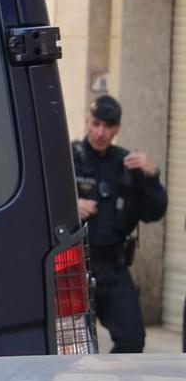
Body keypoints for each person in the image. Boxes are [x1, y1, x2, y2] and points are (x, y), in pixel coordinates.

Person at [72, 94, 167, 353]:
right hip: (76, 266)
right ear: (87, 122)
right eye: (96, 124)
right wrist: (71, 205)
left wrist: (151, 176)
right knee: (74, 345)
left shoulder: (128, 163)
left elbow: (154, 212)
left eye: (108, 126)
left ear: (117, 129)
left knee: (132, 339)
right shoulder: (68, 158)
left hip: (114, 267)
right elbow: (39, 200)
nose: (101, 132)